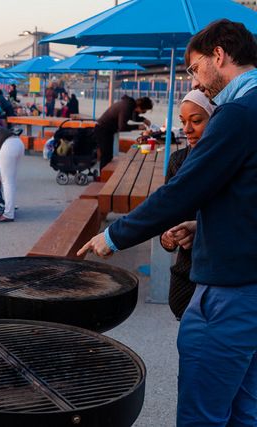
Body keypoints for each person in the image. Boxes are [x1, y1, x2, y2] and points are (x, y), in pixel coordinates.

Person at [78, 19, 257, 426]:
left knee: (203, 414)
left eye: (195, 68)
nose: (196, 78)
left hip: (231, 291)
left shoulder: (237, 113)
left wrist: (114, 236)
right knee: (244, 410)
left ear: (219, 55)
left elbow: (183, 190)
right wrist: (204, 225)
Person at [160, 90, 215, 320]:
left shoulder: (229, 161)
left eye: (197, 120)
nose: (187, 129)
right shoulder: (177, 161)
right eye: (183, 122)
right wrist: (169, 238)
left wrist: (198, 230)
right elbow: (166, 216)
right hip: (185, 271)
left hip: (218, 273)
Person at [94, 95, 153, 170]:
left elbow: (133, 116)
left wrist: (143, 120)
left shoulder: (130, 104)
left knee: (108, 155)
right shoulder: (127, 107)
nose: (142, 113)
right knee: (106, 156)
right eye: (144, 111)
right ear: (140, 107)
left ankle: (104, 175)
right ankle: (103, 177)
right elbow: (122, 127)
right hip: (103, 129)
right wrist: (138, 127)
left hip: (106, 129)